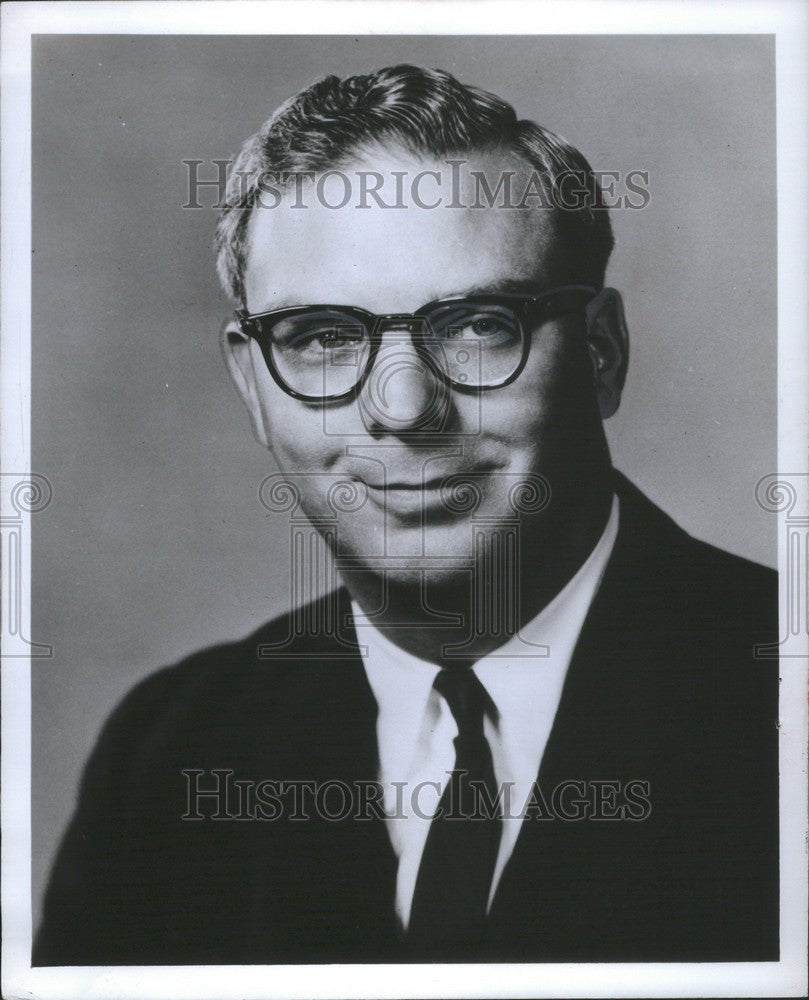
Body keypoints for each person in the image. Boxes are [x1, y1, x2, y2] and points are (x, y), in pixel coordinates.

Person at [34, 64, 779, 965]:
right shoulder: (168, 756)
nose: (401, 407)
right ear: (252, 386)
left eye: (475, 323)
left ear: (601, 353)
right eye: (324, 338)